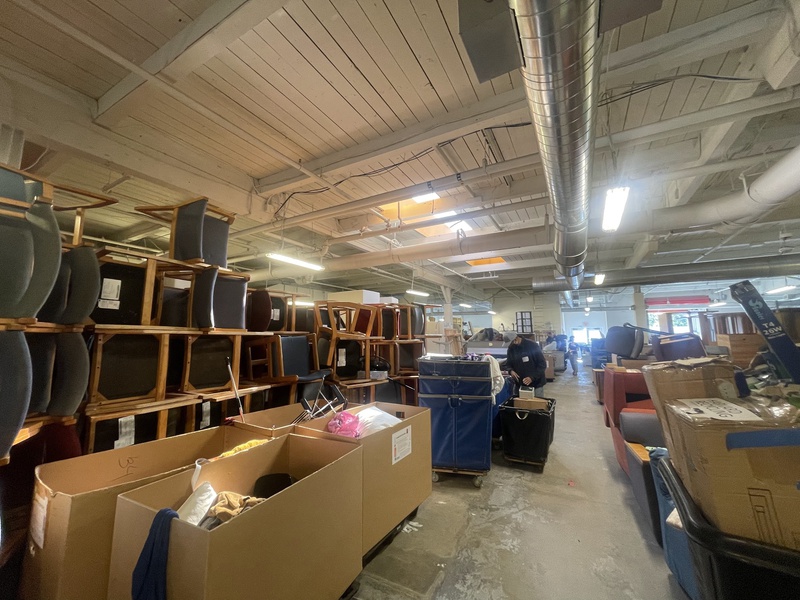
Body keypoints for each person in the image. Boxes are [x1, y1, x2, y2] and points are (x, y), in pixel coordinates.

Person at [504, 331, 547, 397]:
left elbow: (542, 364)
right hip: (519, 384)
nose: (510, 345)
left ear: (516, 338)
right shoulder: (511, 349)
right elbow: (508, 364)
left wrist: (532, 377)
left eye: (511, 343)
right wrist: (511, 371)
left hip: (536, 384)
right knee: (518, 402)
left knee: (537, 402)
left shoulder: (532, 346)